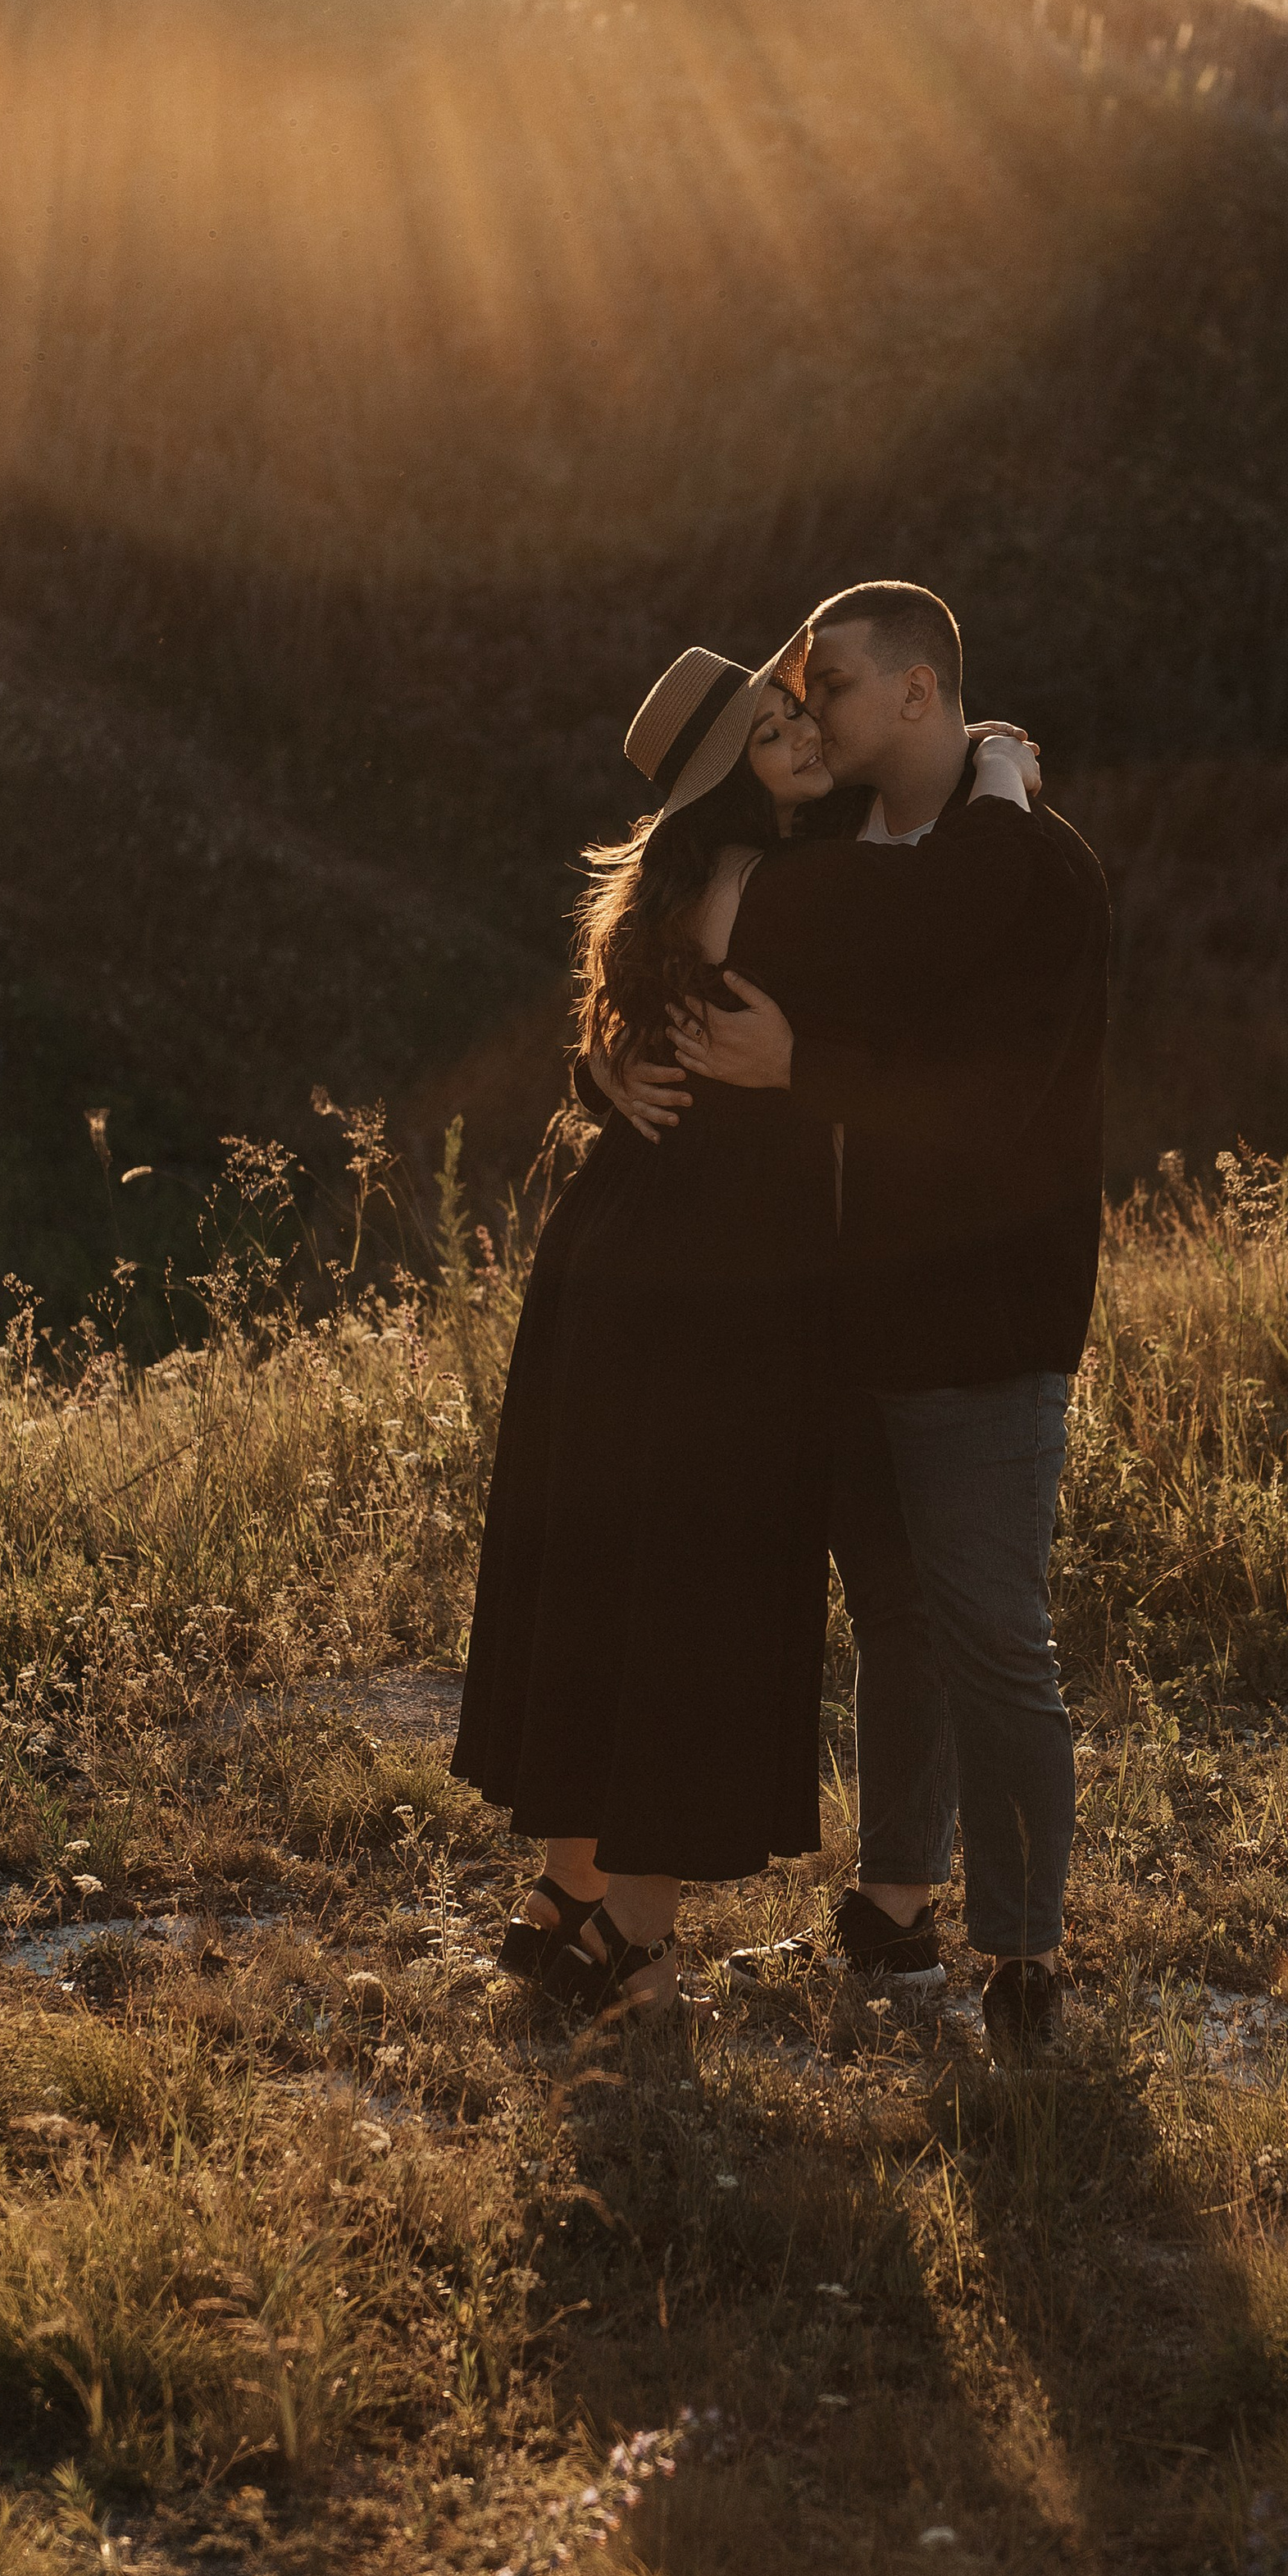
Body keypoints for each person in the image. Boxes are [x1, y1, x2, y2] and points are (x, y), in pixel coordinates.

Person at [449, 638, 1040, 2019]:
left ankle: (568, 1888)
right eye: (776, 731)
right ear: (729, 778)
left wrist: (600, 1065)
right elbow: (961, 907)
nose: (807, 734)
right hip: (714, 1279)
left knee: (600, 1567)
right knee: (692, 1588)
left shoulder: (667, 889)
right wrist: (1001, 775)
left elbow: (621, 1040)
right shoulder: (787, 889)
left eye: (797, 711)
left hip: (614, 1247)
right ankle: (638, 1941)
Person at [663, 583, 1110, 2054]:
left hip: (983, 1318)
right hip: (834, 1314)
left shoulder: (1040, 874)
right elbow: (674, 939)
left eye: (835, 685)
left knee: (994, 1636)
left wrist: (806, 1073)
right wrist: (608, 1064)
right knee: (896, 1623)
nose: (810, 712)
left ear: (922, 691)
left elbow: (998, 1114)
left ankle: (1026, 1959)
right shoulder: (830, 858)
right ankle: (895, 1909)